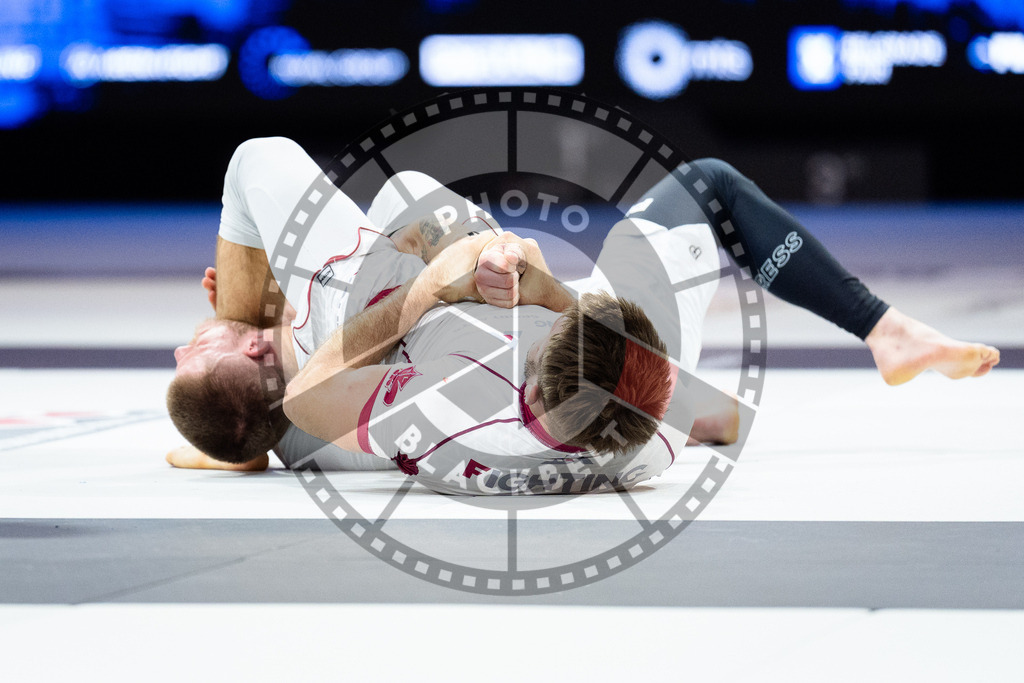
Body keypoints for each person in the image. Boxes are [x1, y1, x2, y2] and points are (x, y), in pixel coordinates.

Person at [168, 137, 1000, 493]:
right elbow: (716, 417)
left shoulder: (448, 390)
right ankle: (884, 330)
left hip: (358, 341)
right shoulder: (643, 446)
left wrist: (431, 289)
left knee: (314, 176)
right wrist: (547, 287)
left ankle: (237, 420)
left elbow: (306, 396)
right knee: (706, 184)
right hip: (531, 360)